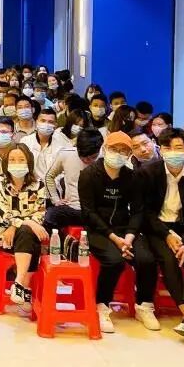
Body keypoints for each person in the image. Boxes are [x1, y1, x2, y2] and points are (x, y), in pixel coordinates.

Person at [132, 127, 184, 348]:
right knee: (169, 260)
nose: (173, 152)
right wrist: (167, 234)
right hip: (157, 228)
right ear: (160, 150)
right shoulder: (147, 173)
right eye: (167, 148)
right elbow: (145, 212)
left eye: (178, 148)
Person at [77, 131, 142, 333]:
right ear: (105, 149)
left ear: (129, 154)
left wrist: (129, 237)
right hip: (98, 230)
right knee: (114, 261)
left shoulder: (132, 177)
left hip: (125, 230)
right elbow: (88, 212)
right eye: (114, 149)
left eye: (124, 151)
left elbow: (137, 211)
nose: (118, 154)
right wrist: (114, 238)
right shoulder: (89, 175)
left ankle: (144, 305)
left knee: (147, 258)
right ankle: (102, 305)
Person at [0, 143, 48, 307]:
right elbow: (0, 213)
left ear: (29, 162)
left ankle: (19, 282)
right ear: (6, 163)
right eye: (12, 160)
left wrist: (19, 225)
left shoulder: (38, 185)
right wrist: (24, 222)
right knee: (29, 230)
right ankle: (23, 285)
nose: (17, 163)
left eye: (21, 160)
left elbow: (40, 214)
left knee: (27, 232)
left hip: (26, 235)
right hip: (4, 236)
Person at [44, 128, 103, 231]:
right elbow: (49, 176)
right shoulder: (66, 154)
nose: (88, 161)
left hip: (96, 210)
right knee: (50, 215)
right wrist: (55, 199)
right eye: (83, 157)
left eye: (93, 157)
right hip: (73, 208)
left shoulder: (105, 159)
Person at [21, 108, 71, 182]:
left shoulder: (63, 143)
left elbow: (67, 169)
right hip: (31, 184)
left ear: (55, 125)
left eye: (50, 122)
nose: (46, 124)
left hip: (56, 185)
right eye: (43, 121)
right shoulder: (25, 142)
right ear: (36, 122)